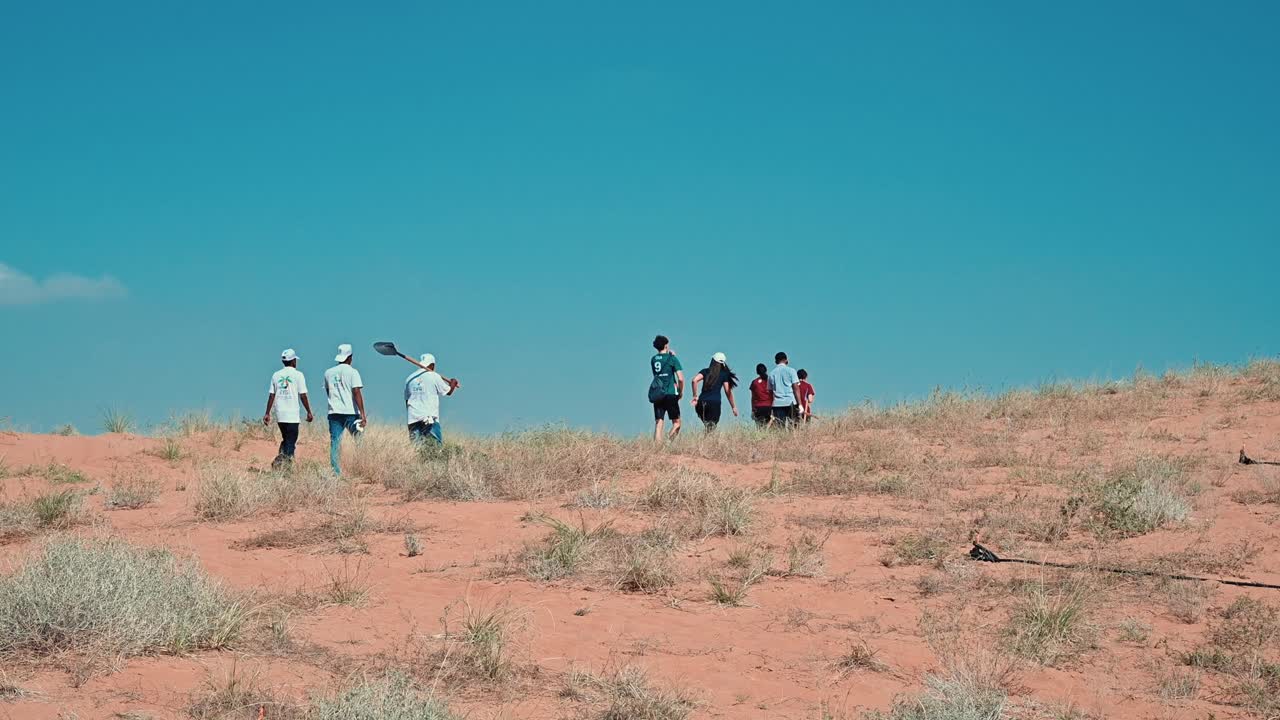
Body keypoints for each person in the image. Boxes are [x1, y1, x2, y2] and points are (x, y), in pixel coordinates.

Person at [262, 348, 313, 468]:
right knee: (291, 441)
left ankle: (285, 462)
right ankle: (281, 462)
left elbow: (271, 395)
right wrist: (309, 411)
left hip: (280, 414)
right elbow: (303, 395)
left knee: (287, 439)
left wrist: (267, 413)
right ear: (293, 361)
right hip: (292, 415)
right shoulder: (298, 375)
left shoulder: (276, 375)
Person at [324, 343, 367, 475]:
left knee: (335, 442)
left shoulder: (328, 373)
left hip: (334, 412)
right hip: (351, 412)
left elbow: (328, 391)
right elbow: (356, 392)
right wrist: (363, 414)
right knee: (359, 439)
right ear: (350, 357)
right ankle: (362, 466)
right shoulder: (353, 372)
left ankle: (335, 471)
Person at [405, 353, 459, 444]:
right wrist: (453, 383)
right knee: (434, 448)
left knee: (416, 449)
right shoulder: (434, 376)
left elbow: (407, 400)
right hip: (429, 419)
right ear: (433, 365)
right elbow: (448, 391)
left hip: (413, 419)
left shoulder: (409, 379)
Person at [649, 335, 684, 442]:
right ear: (665, 345)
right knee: (677, 423)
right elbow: (681, 379)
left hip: (658, 393)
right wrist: (680, 392)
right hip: (670, 393)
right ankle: (668, 443)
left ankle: (657, 448)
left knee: (659, 422)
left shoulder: (653, 359)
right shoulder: (672, 359)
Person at [690, 352, 738, 430]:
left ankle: (704, 441)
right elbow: (727, 391)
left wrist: (695, 396)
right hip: (714, 403)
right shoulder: (723, 374)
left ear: (712, 360)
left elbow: (694, 380)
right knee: (711, 428)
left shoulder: (705, 371)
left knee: (708, 427)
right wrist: (733, 406)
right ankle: (706, 441)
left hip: (701, 403)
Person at [768, 351, 802, 427]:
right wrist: (800, 404)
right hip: (790, 401)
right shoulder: (791, 371)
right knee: (793, 426)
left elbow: (770, 392)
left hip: (777, 404)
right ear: (786, 360)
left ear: (776, 361)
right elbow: (796, 388)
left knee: (780, 427)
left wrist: (771, 406)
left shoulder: (771, 373)